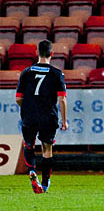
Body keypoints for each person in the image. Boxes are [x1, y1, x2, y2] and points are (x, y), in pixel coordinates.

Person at [16, 39, 68, 193]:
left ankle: (32, 171)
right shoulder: (57, 74)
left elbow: (18, 98)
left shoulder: (26, 72)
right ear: (52, 54)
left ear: (36, 53)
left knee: (29, 145)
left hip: (29, 116)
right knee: (47, 149)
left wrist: (28, 108)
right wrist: (64, 121)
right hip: (48, 116)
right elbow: (62, 99)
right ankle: (44, 184)